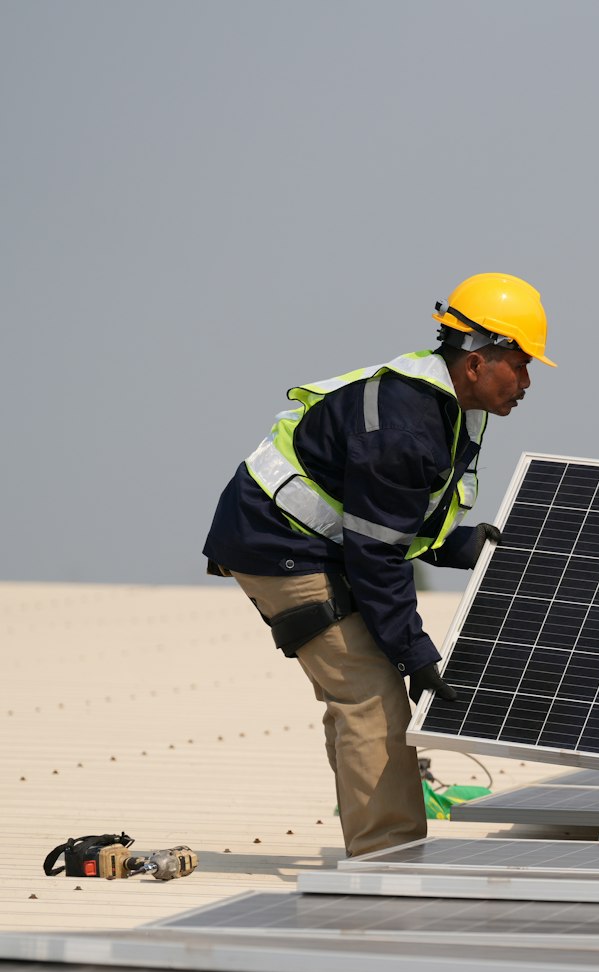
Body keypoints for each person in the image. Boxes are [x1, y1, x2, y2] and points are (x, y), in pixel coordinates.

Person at [201, 273, 554, 855]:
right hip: (278, 545)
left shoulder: (447, 404)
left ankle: (377, 842)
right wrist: (416, 654)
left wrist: (455, 545)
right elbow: (375, 555)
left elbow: (386, 520)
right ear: (476, 363)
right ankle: (386, 864)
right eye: (519, 364)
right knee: (371, 695)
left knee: (361, 690)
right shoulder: (406, 424)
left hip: (320, 541)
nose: (526, 380)